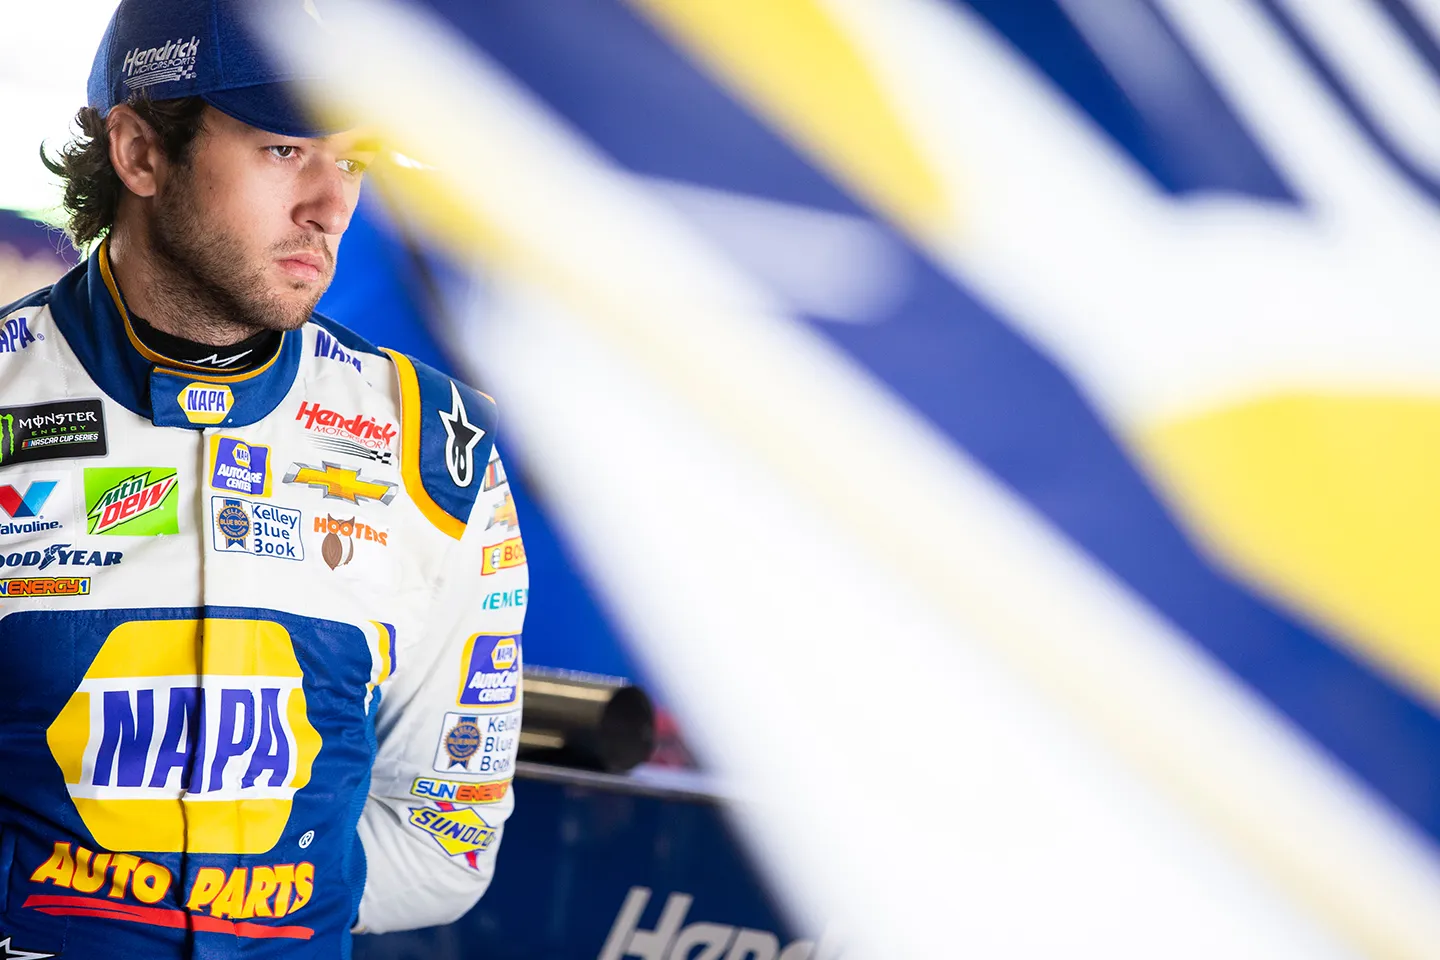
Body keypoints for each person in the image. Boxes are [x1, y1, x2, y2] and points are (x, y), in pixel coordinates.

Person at [0, 0, 527, 955]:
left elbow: (444, 837)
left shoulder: (435, 444)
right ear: (140, 153)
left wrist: (253, 920)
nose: (332, 206)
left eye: (354, 160)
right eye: (286, 149)